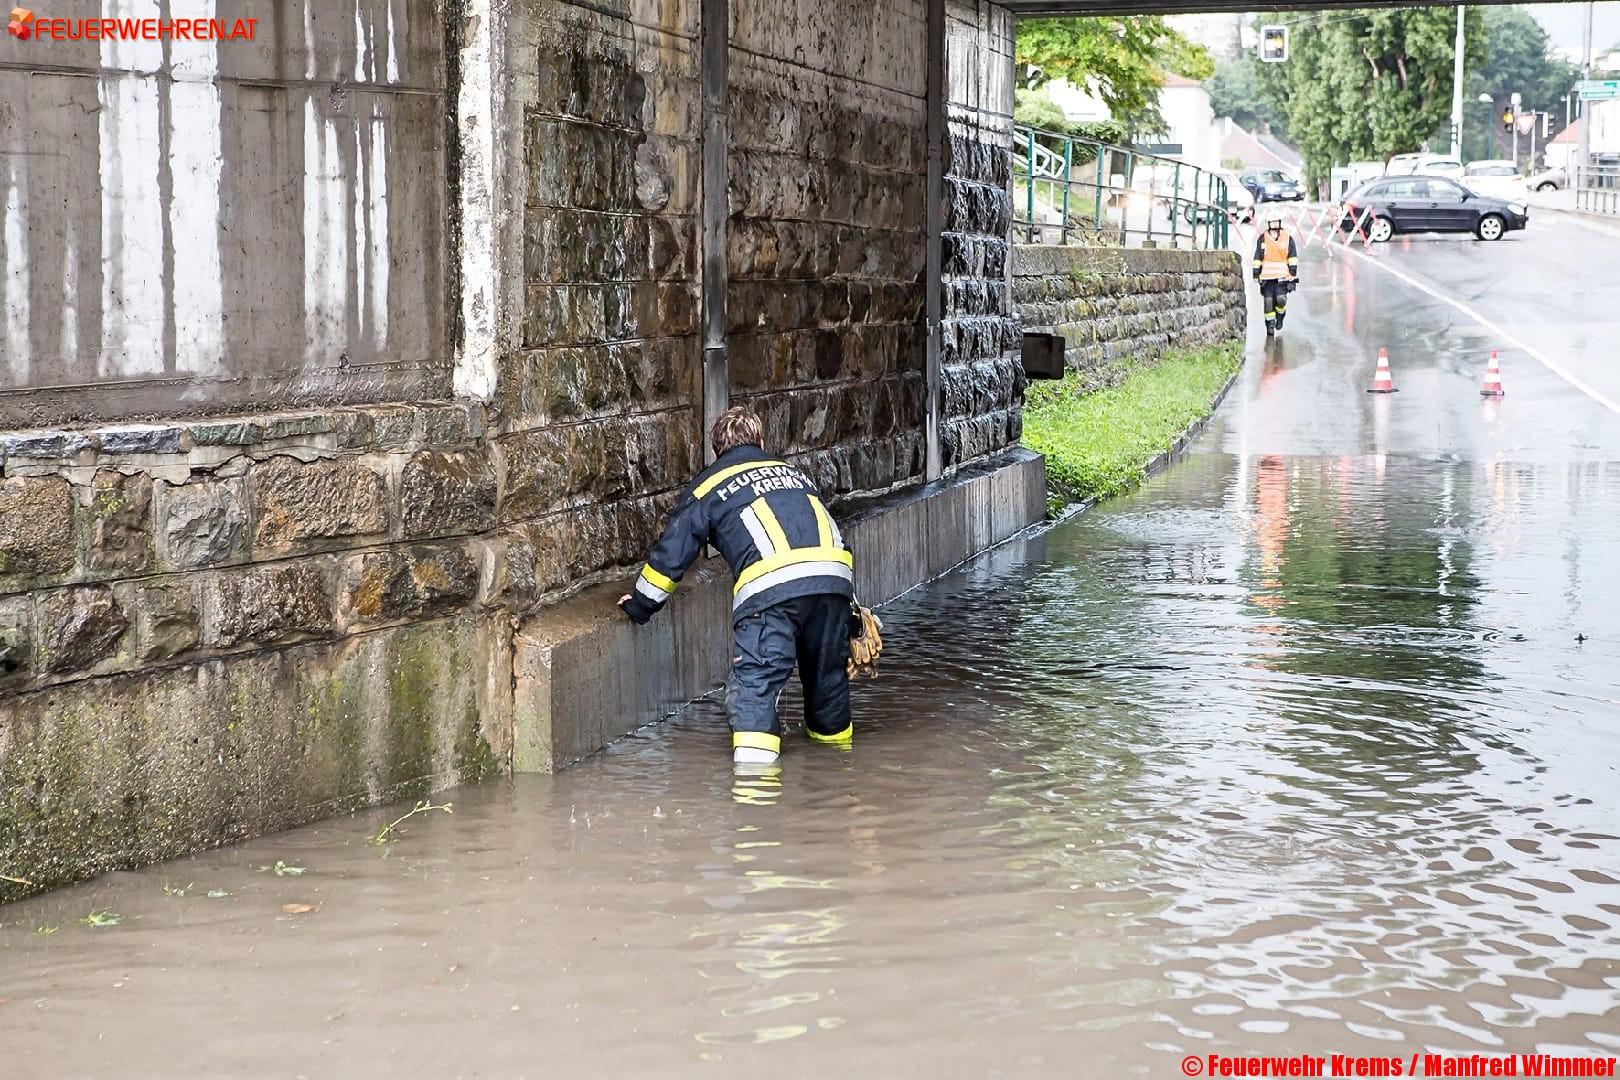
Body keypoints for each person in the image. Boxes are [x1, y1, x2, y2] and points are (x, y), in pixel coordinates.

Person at [618, 406, 855, 768]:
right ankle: (839, 769)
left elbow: (673, 554)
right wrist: (850, 609)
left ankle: (754, 799)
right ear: (761, 441)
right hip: (834, 584)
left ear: (717, 451)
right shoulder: (795, 475)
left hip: (771, 593)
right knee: (827, 679)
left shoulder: (710, 485)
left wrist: (640, 605)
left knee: (754, 688)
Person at [1252, 216, 1299, 336]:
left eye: (1275, 222)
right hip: (1267, 277)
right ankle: (1270, 325)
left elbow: (1292, 257)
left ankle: (1280, 316)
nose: (1273, 225)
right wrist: (1256, 273)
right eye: (1271, 222)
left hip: (1282, 276)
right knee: (1268, 302)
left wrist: (1293, 273)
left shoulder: (1287, 238)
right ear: (1268, 224)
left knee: (1280, 299)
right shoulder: (1263, 238)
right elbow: (1258, 257)